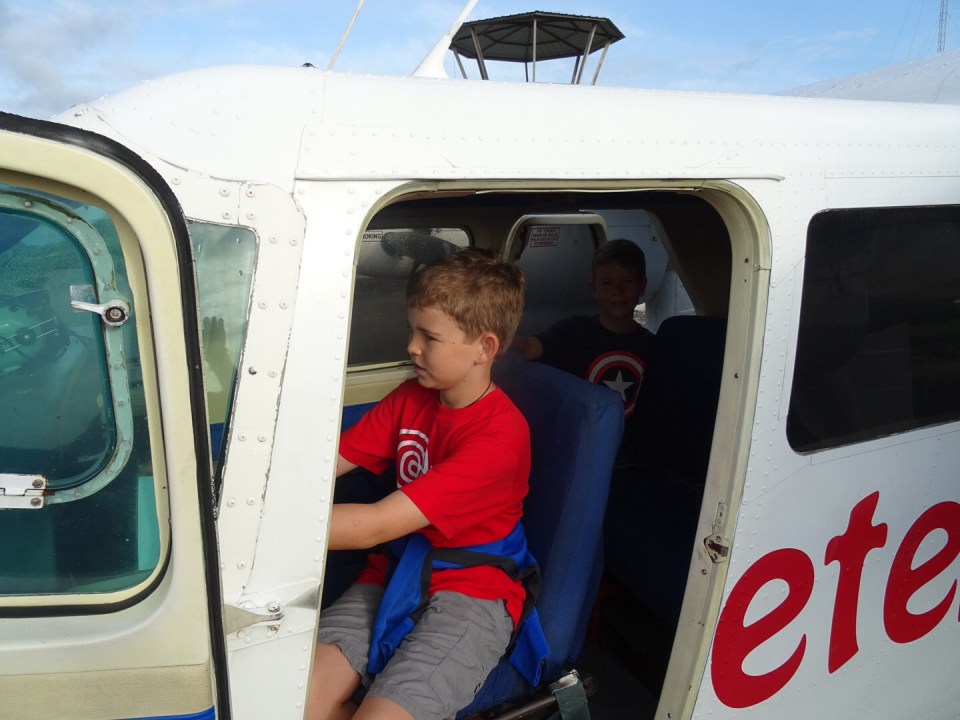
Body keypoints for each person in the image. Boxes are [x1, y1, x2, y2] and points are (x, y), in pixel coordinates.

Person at [308, 249, 545, 720]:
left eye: (429, 336)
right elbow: (326, 465)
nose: (412, 346)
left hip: (472, 593)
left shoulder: (499, 438)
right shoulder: (411, 398)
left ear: (484, 348)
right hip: (396, 572)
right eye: (412, 330)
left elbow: (371, 526)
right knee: (294, 699)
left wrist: (248, 529)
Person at [513, 239, 655, 446]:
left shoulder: (653, 347)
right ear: (593, 288)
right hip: (580, 443)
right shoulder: (573, 332)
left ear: (642, 286)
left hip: (633, 452)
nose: (617, 291)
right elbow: (530, 347)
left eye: (627, 282)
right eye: (607, 283)